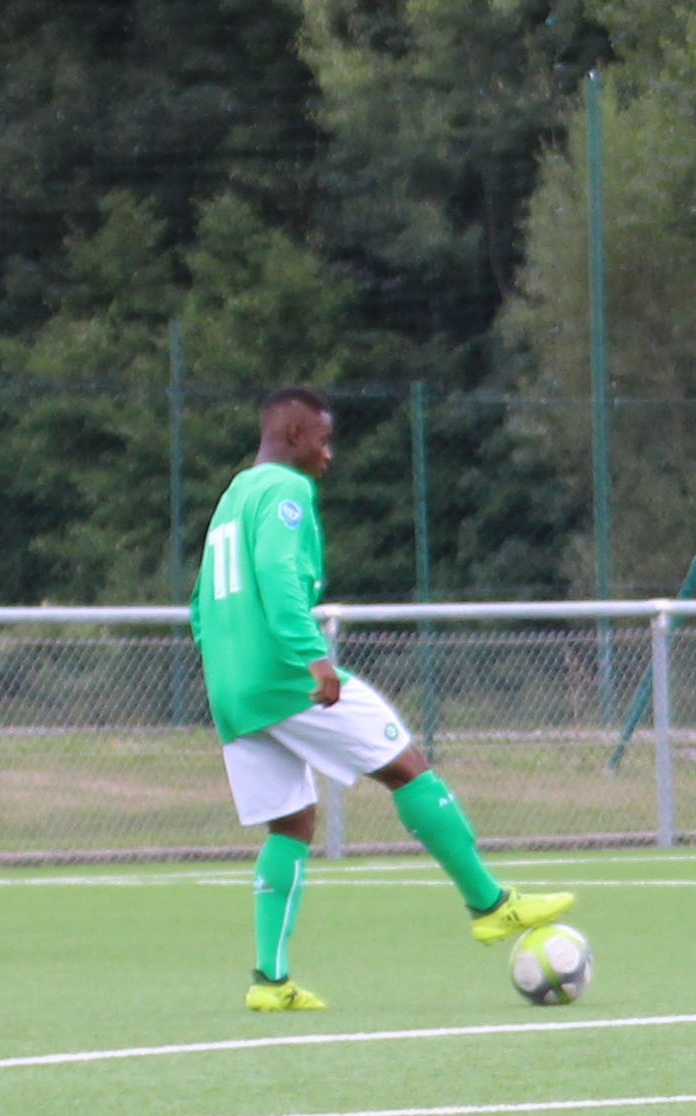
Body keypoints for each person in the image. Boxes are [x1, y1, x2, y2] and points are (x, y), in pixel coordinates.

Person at [198, 384, 573, 1011]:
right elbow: (278, 579)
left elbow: (200, 601)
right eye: (324, 440)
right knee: (406, 765)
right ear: (293, 434)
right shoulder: (286, 491)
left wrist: (222, 665)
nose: (328, 455)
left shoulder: (233, 496)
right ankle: (489, 904)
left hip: (232, 686)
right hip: (284, 676)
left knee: (291, 821)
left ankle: (270, 981)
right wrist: (313, 655)